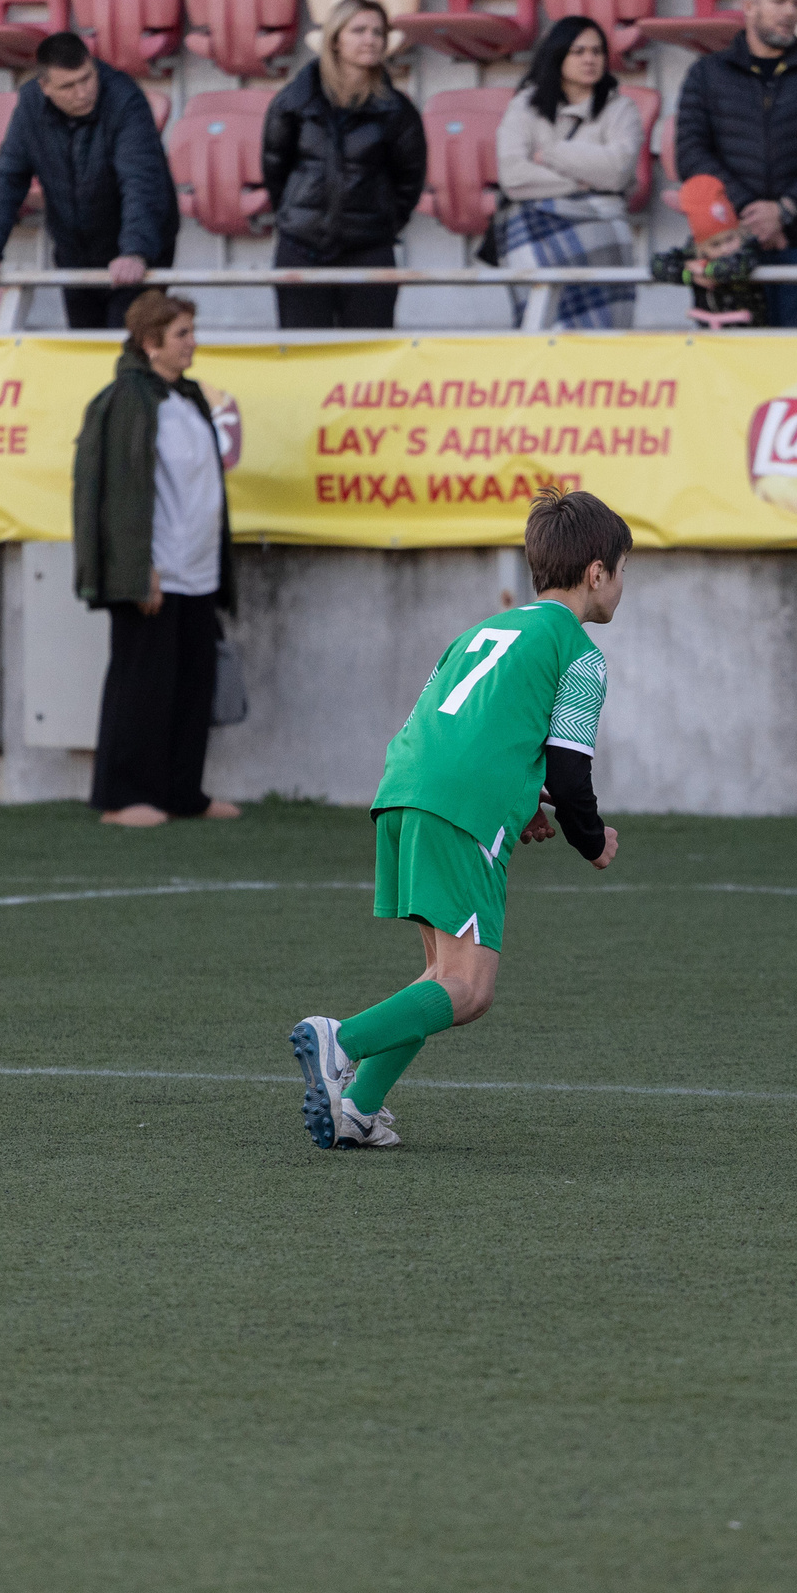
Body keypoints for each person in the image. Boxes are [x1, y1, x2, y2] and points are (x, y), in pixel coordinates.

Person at [289, 488, 630, 1150]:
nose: (622, 585)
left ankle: (357, 1106)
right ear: (596, 572)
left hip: (403, 787)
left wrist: (520, 802)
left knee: (442, 974)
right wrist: (591, 839)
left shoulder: (479, 632)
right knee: (470, 990)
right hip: (462, 810)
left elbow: (462, 722)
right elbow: (570, 773)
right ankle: (341, 1041)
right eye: (621, 571)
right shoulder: (580, 654)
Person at [73, 289, 241, 828]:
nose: (192, 343)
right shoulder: (127, 401)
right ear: (150, 343)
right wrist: (137, 568)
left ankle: (182, 792)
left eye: (191, 332)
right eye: (181, 334)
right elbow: (116, 493)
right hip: (156, 572)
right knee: (140, 685)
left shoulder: (186, 398)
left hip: (198, 572)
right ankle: (123, 797)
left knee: (191, 686)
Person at [672, 0, 797, 329]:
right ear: (749, 7)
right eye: (779, 1)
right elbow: (690, 154)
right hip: (727, 247)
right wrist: (750, 211)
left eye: (796, 3)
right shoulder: (706, 74)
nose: (790, 12)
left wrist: (785, 210)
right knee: (731, 359)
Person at [0, 33, 175, 331]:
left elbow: (141, 181)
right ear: (45, 87)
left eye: (87, 78)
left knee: (125, 346)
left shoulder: (126, 99)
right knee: (83, 346)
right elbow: (8, 179)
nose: (82, 93)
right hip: (74, 252)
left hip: (139, 250)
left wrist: (135, 252)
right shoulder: (30, 106)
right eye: (68, 86)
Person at [260, 0, 427, 330]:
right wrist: (298, 216)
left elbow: (409, 179)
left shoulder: (397, 110)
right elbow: (275, 167)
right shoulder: (294, 102)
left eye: (378, 32)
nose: (370, 40)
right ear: (335, 39)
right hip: (301, 247)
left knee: (367, 356)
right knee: (304, 353)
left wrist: (381, 223)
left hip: (370, 249)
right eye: (359, 30)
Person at [494, 16, 645, 330]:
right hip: (539, 225)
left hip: (603, 224)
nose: (590, 59)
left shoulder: (621, 109)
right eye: (578, 52)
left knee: (603, 338)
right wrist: (583, 182)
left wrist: (550, 154)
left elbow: (618, 172)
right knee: (544, 329)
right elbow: (513, 176)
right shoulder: (525, 105)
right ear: (558, 55)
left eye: (597, 51)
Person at [649, 175, 762, 328]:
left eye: (730, 239)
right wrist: (690, 275)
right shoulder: (693, 253)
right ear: (701, 247)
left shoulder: (748, 249)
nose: (725, 249)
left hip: (752, 335)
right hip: (707, 336)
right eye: (715, 245)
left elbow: (738, 266)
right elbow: (657, 264)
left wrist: (705, 270)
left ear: (738, 233)